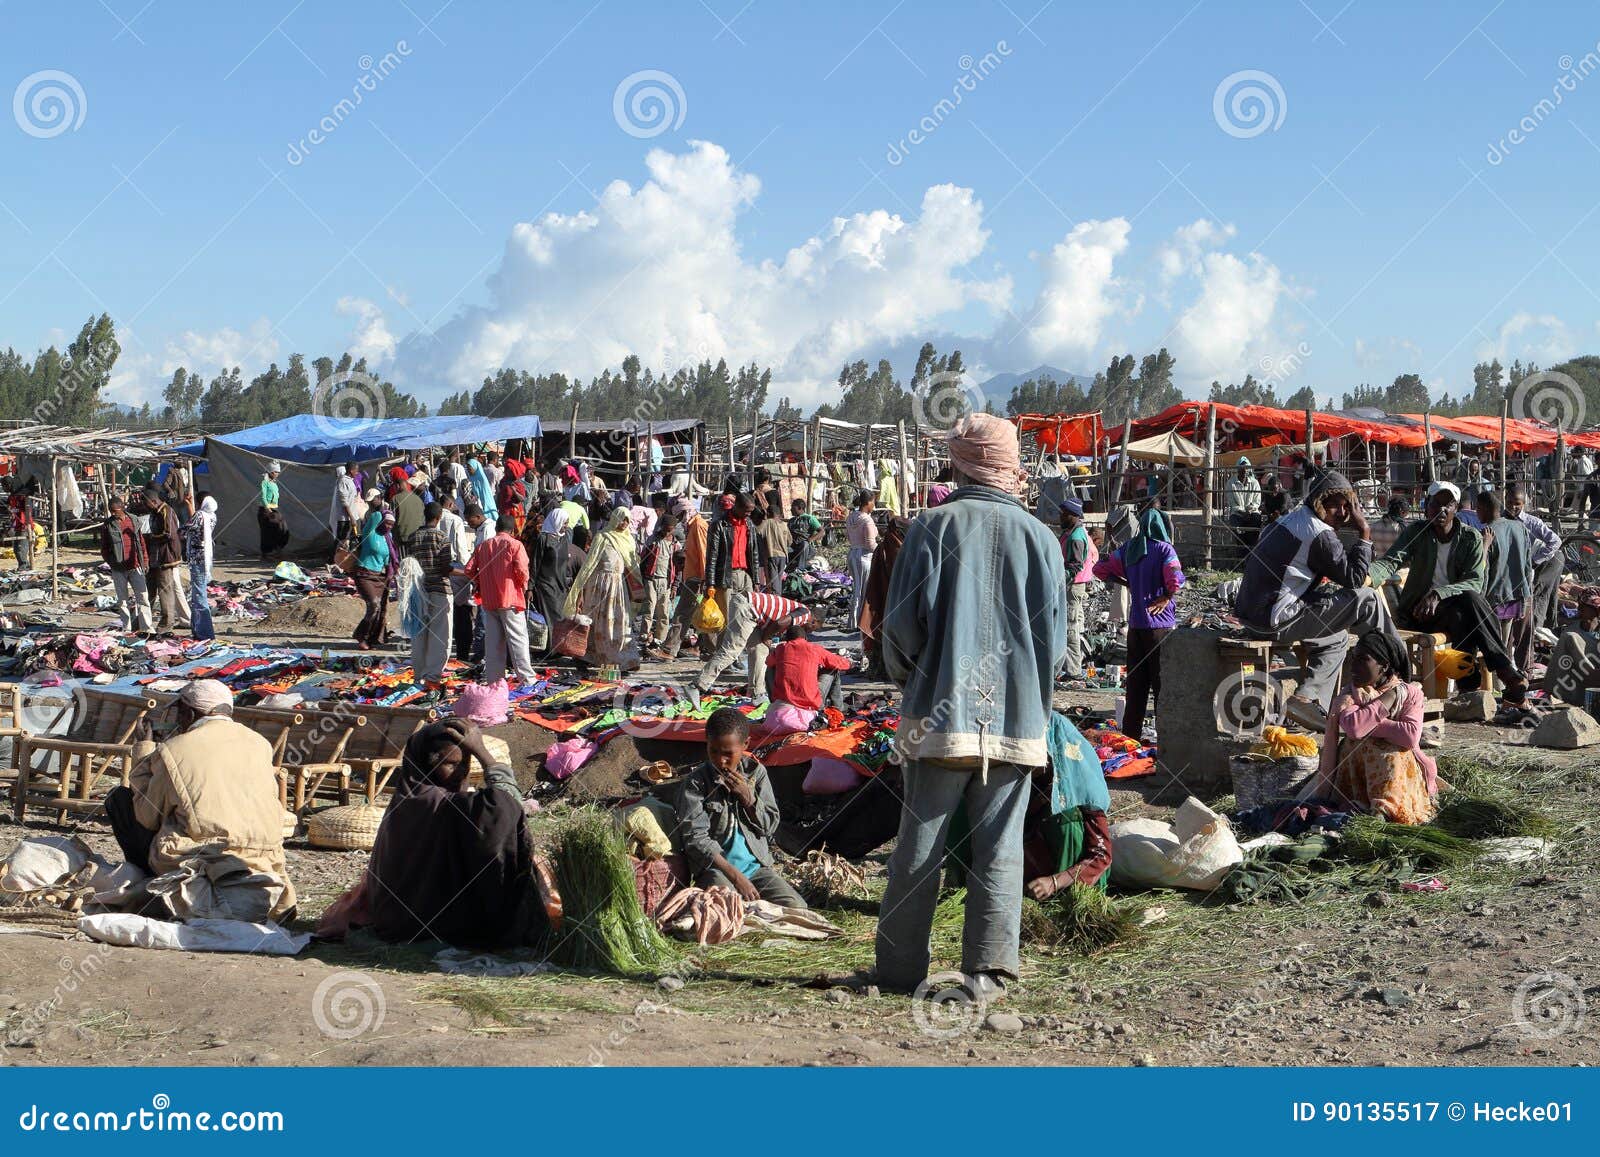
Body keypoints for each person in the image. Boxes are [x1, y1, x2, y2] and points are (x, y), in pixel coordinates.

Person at [875, 413, 1065, 1001]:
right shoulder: (1043, 539)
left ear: (961, 464)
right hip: (1017, 722)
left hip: (939, 721)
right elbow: (1056, 645)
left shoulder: (930, 528)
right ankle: (988, 974)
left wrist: (915, 680)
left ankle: (899, 972)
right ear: (1008, 467)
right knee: (1000, 849)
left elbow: (899, 630)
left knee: (918, 849)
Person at [103, 680, 295, 923]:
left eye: (180, 712)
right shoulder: (259, 743)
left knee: (120, 800)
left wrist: (144, 752)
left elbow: (147, 816)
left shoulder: (174, 749)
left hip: (206, 854)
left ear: (190, 712)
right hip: (266, 856)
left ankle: (149, 880)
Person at [1234, 469, 1398, 731]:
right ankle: (1397, 677)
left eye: (1346, 507)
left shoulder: (1289, 520)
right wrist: (1364, 532)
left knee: (1336, 638)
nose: (1341, 513)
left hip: (1254, 616)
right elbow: (1355, 579)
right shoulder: (1319, 532)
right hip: (1274, 619)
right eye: (1334, 506)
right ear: (1319, 503)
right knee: (1367, 599)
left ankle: (1306, 702)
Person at [365, 718, 541, 947]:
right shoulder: (430, 802)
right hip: (420, 924)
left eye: (464, 763)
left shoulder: (410, 797)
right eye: (450, 764)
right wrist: (483, 753)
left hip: (397, 919)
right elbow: (504, 804)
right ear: (424, 764)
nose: (461, 773)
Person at [1372, 481, 1529, 704]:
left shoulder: (1470, 537)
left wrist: (1438, 594)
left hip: (1453, 610)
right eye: (1436, 504)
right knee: (1469, 606)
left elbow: (1475, 581)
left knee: (1465, 608)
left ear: (1456, 509)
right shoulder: (1417, 532)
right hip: (1418, 612)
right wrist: (1368, 575)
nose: (1442, 510)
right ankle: (1503, 671)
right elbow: (1391, 561)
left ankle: (1469, 688)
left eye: (1448, 505)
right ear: (1427, 506)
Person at [667, 708, 806, 907]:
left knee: (796, 907)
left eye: (728, 754)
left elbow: (769, 827)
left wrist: (748, 798)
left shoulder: (756, 774)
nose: (720, 760)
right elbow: (696, 839)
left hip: (755, 868)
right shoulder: (696, 784)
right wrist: (736, 877)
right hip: (717, 871)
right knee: (728, 906)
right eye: (713, 751)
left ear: (745, 745)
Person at [1308, 631, 1438, 825]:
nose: (1353, 666)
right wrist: (1386, 705)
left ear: (1384, 666)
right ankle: (1359, 803)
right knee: (1359, 746)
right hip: (1357, 773)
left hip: (1396, 775)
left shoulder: (1409, 694)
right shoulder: (1351, 694)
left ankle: (1387, 810)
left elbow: (1410, 737)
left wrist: (1376, 713)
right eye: (1353, 658)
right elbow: (1354, 728)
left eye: (1363, 660)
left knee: (1392, 754)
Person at [1093, 507, 1183, 739]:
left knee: (1136, 688)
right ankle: (1166, 740)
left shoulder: (1129, 549)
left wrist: (1127, 582)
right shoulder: (1164, 549)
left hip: (1135, 628)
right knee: (1161, 687)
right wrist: (1167, 596)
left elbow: (1099, 569)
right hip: (1159, 628)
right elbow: (1175, 578)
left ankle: (1131, 737)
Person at [692, 493, 768, 695]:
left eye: (751, 511)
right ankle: (725, 661)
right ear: (738, 507)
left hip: (746, 576)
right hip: (726, 577)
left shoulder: (749, 524)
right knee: (727, 622)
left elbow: (754, 555)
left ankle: (741, 664)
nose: (749, 514)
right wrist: (710, 583)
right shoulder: (719, 525)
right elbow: (712, 556)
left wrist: (756, 581)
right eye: (747, 511)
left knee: (750, 620)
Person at [563, 507, 642, 667]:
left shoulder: (628, 540)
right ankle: (589, 657)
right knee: (597, 621)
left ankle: (619, 658)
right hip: (599, 586)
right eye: (622, 519)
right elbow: (589, 564)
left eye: (627, 520)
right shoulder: (602, 537)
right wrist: (581, 589)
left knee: (618, 621)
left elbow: (633, 565)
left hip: (618, 586)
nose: (624, 523)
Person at [467, 514, 536, 683]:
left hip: (489, 600)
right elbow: (522, 571)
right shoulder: (515, 544)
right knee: (517, 640)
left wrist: (480, 583)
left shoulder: (483, 546)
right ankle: (527, 679)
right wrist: (523, 586)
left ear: (496, 528)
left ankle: (495, 680)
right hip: (511, 599)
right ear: (512, 531)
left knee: (493, 643)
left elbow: (469, 569)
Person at [1503, 483, 1563, 656]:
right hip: (1516, 567)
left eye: (1517, 504)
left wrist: (1535, 560)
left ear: (1523, 504)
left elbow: (1555, 541)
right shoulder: (1501, 519)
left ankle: (1532, 639)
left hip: (1542, 563)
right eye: (1510, 502)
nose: (1513, 507)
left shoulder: (1531, 522)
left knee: (1534, 596)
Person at [763, 616, 851, 734]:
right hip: (810, 704)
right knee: (833, 669)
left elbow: (768, 662)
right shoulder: (814, 648)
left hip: (782, 703)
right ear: (805, 638)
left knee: (770, 667)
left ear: (787, 639)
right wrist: (849, 663)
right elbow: (840, 663)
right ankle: (838, 708)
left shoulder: (780, 649)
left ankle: (774, 700)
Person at [407, 503, 455, 684]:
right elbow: (445, 567)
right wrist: (466, 573)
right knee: (440, 636)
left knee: (419, 636)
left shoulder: (412, 538)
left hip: (418, 592)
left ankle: (419, 675)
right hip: (440, 591)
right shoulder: (442, 537)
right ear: (439, 517)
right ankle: (433, 675)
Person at [858, 514, 910, 677]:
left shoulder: (882, 548)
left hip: (881, 599)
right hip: (897, 600)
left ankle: (883, 668)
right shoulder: (901, 549)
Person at [662, 498, 712, 660]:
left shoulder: (698, 525)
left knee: (682, 614)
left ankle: (669, 650)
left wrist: (705, 580)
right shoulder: (692, 526)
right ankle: (710, 650)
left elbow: (704, 553)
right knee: (699, 615)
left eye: (680, 515)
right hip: (694, 576)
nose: (679, 519)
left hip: (697, 578)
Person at [139, 485, 191, 633]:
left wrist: (150, 538)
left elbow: (168, 533)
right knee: (149, 590)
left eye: (146, 503)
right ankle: (142, 622)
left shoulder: (166, 511)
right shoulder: (155, 512)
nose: (145, 506)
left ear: (153, 501)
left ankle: (166, 625)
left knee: (165, 592)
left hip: (166, 558)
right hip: (155, 557)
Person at [99, 495, 153, 633]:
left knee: (143, 598)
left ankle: (146, 627)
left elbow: (141, 543)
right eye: (111, 511)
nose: (113, 514)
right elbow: (104, 548)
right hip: (118, 569)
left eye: (115, 511)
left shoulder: (134, 520)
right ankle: (126, 628)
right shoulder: (108, 525)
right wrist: (113, 562)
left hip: (135, 566)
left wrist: (145, 560)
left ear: (122, 508)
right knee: (122, 600)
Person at [1058, 497, 1096, 681]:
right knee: (1074, 626)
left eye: (1064, 513)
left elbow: (1075, 567)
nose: (1061, 516)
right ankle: (1073, 665)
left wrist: (1057, 579)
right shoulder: (1073, 533)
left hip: (1073, 587)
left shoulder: (1076, 538)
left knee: (1070, 628)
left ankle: (1073, 670)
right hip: (1074, 587)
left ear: (1073, 515)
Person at [352, 506, 392, 651]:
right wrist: (384, 510)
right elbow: (375, 516)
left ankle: (371, 639)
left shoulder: (388, 538)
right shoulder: (370, 533)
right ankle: (361, 636)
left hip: (379, 576)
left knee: (380, 608)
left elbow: (387, 559)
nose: (389, 526)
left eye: (392, 525)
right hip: (364, 574)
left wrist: (390, 573)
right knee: (373, 605)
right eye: (387, 523)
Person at [638, 510, 677, 657]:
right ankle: (644, 637)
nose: (667, 532)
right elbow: (643, 559)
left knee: (664, 612)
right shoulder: (653, 540)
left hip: (666, 581)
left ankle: (660, 639)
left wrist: (675, 585)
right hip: (651, 579)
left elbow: (678, 567)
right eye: (666, 528)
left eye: (670, 529)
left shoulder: (675, 544)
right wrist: (643, 577)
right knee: (649, 608)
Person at [185, 495, 217, 641]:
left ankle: (205, 632)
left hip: (197, 559)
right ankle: (197, 628)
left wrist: (189, 508)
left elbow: (186, 529)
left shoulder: (199, 515)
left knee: (199, 595)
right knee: (198, 594)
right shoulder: (212, 516)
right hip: (204, 558)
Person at [845, 491, 877, 631]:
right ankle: (859, 622)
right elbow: (870, 543)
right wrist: (880, 550)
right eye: (873, 502)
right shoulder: (867, 520)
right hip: (863, 557)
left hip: (852, 554)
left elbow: (848, 536)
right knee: (862, 591)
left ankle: (853, 621)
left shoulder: (851, 517)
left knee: (856, 589)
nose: (874, 505)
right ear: (868, 503)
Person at [755, 504, 790, 592]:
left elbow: (756, 531)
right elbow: (790, 541)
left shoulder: (767, 522)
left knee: (773, 582)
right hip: (783, 556)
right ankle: (778, 596)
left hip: (772, 555)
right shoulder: (784, 524)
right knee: (778, 580)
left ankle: (776, 597)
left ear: (768, 513)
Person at [258, 462, 289, 558]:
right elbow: (263, 497)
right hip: (265, 509)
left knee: (283, 528)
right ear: (270, 472)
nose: (277, 474)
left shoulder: (274, 484)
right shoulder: (265, 482)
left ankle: (277, 549)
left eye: (278, 472)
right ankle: (267, 553)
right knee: (268, 531)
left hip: (275, 509)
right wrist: (267, 509)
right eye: (275, 472)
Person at [1223, 456, 1261, 524]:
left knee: (1256, 519)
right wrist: (1242, 512)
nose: (1244, 470)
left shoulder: (1255, 482)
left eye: (1246, 468)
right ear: (1237, 469)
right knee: (1235, 521)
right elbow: (1232, 502)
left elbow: (1257, 501)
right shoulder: (1231, 483)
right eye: (1242, 468)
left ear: (1249, 469)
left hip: (1252, 512)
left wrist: (1249, 510)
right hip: (1237, 513)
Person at [392, 472, 425, 550]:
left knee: (405, 557)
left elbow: (392, 519)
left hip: (403, 540)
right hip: (419, 538)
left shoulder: (395, 499)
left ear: (397, 486)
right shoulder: (418, 499)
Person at [8, 480, 36, 571]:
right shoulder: (12, 497)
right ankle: (23, 565)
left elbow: (28, 510)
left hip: (25, 525)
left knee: (21, 548)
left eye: (5, 485)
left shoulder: (23, 497)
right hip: (18, 525)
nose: (4, 488)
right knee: (16, 549)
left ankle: (24, 566)